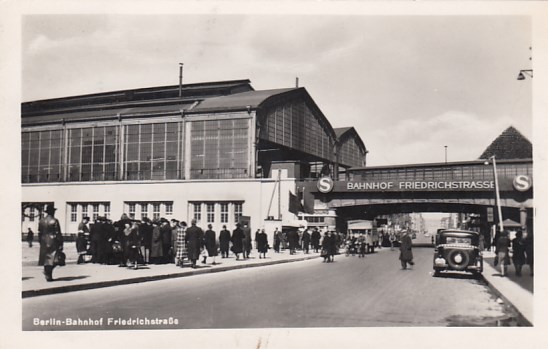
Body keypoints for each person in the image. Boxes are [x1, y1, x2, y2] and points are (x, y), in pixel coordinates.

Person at [38, 204, 64, 281]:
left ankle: (48, 275)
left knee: (46, 259)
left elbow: (39, 232)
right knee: (54, 259)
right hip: (53, 240)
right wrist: (60, 243)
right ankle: (48, 273)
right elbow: (58, 233)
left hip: (44, 240)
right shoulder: (55, 220)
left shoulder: (41, 220)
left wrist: (40, 241)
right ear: (52, 212)